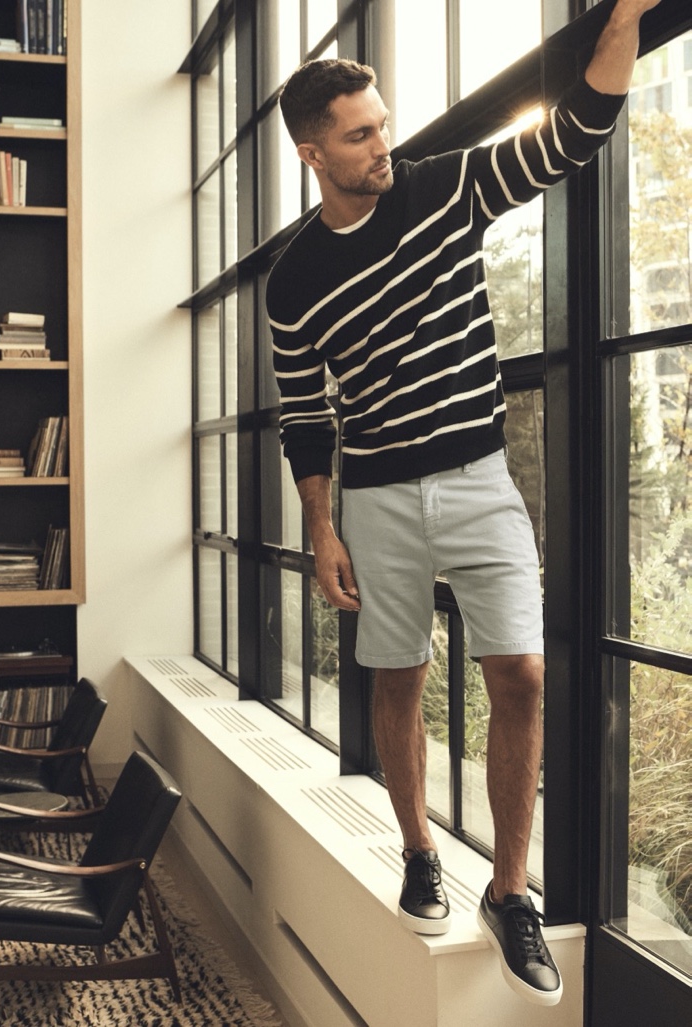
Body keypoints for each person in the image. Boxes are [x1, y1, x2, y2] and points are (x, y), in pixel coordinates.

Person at [266, 0, 663, 1008]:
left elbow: (572, 134)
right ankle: (417, 851)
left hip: (481, 478)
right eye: (360, 135)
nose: (382, 146)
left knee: (521, 672)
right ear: (314, 154)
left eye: (383, 124)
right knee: (396, 678)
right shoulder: (292, 282)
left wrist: (622, 17)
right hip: (377, 495)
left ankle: (509, 890)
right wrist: (320, 526)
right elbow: (304, 415)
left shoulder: (443, 189)